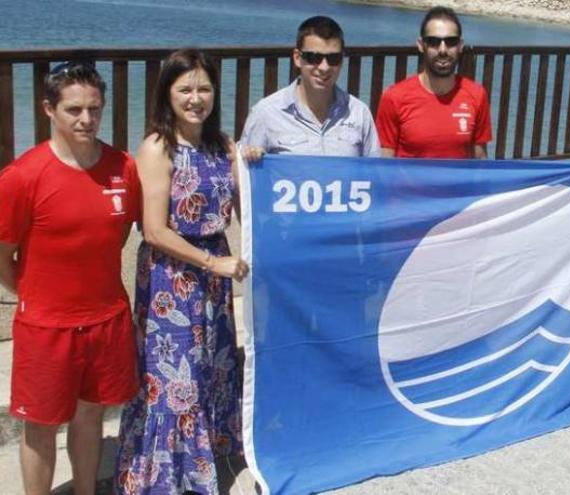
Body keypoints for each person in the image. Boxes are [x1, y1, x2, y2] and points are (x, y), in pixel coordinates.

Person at [0, 61, 140, 495]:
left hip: (106, 319)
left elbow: (116, 236)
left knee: (91, 416)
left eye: (94, 109)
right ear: (49, 110)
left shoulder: (123, 167)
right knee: (39, 426)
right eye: (74, 109)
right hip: (46, 326)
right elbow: (3, 255)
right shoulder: (22, 176)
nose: (86, 119)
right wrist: (31, 294)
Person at [115, 49, 249, 494]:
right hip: (171, 278)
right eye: (185, 89)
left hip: (214, 272)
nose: (196, 98)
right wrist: (214, 263)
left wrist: (255, 160)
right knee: (174, 377)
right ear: (167, 94)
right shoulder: (158, 146)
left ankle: (203, 463)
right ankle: (163, 477)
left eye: (204, 88)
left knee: (211, 367)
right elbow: (152, 230)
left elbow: (245, 196)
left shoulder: (223, 144)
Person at [240, 16, 380, 158]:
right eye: (314, 58)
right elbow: (245, 174)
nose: (324, 67)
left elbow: (375, 172)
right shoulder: (265, 113)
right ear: (297, 58)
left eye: (333, 59)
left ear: (342, 60)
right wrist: (253, 159)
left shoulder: (359, 114)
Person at [376, 6, 492, 159]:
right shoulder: (394, 97)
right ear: (420, 45)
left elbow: (480, 162)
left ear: (460, 45)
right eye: (433, 42)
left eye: (451, 42)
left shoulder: (477, 95)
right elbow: (384, 163)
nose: (442, 50)